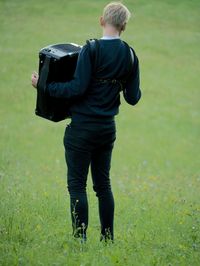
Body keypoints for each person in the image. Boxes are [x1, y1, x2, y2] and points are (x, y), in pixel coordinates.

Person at [31, 2, 141, 242]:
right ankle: (107, 238)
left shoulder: (90, 49)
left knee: (77, 186)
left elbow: (76, 88)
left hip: (81, 129)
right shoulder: (130, 54)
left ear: (102, 20)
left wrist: (44, 85)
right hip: (107, 130)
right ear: (124, 26)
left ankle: (80, 240)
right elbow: (133, 98)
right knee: (103, 186)